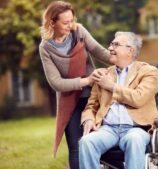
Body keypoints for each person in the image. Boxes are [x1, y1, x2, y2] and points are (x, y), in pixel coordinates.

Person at [39, 1, 110, 169]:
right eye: (65, 22)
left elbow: (100, 52)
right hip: (69, 101)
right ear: (52, 22)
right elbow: (56, 83)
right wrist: (86, 81)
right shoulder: (46, 47)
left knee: (101, 142)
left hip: (94, 97)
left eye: (72, 20)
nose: (70, 25)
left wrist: (124, 59)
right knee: (76, 147)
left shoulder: (78, 31)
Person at [79, 31, 158, 169]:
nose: (110, 48)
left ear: (130, 50)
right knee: (86, 141)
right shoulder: (103, 74)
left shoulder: (148, 71)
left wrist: (111, 87)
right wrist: (88, 119)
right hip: (108, 129)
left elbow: (138, 98)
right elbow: (91, 106)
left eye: (116, 45)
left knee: (134, 140)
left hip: (136, 128)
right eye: (111, 44)